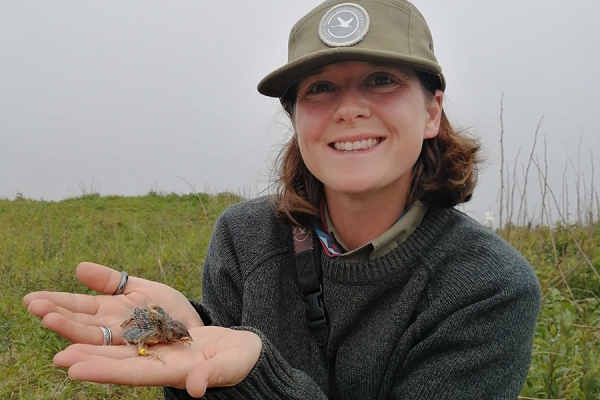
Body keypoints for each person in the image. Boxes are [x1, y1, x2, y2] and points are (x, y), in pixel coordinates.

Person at [23, 0, 542, 399]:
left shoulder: (489, 287)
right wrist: (194, 346)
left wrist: (257, 371)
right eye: (319, 89)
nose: (349, 110)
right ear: (296, 118)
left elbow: (252, 367)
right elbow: (211, 370)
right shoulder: (244, 237)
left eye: (381, 81)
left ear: (432, 112)